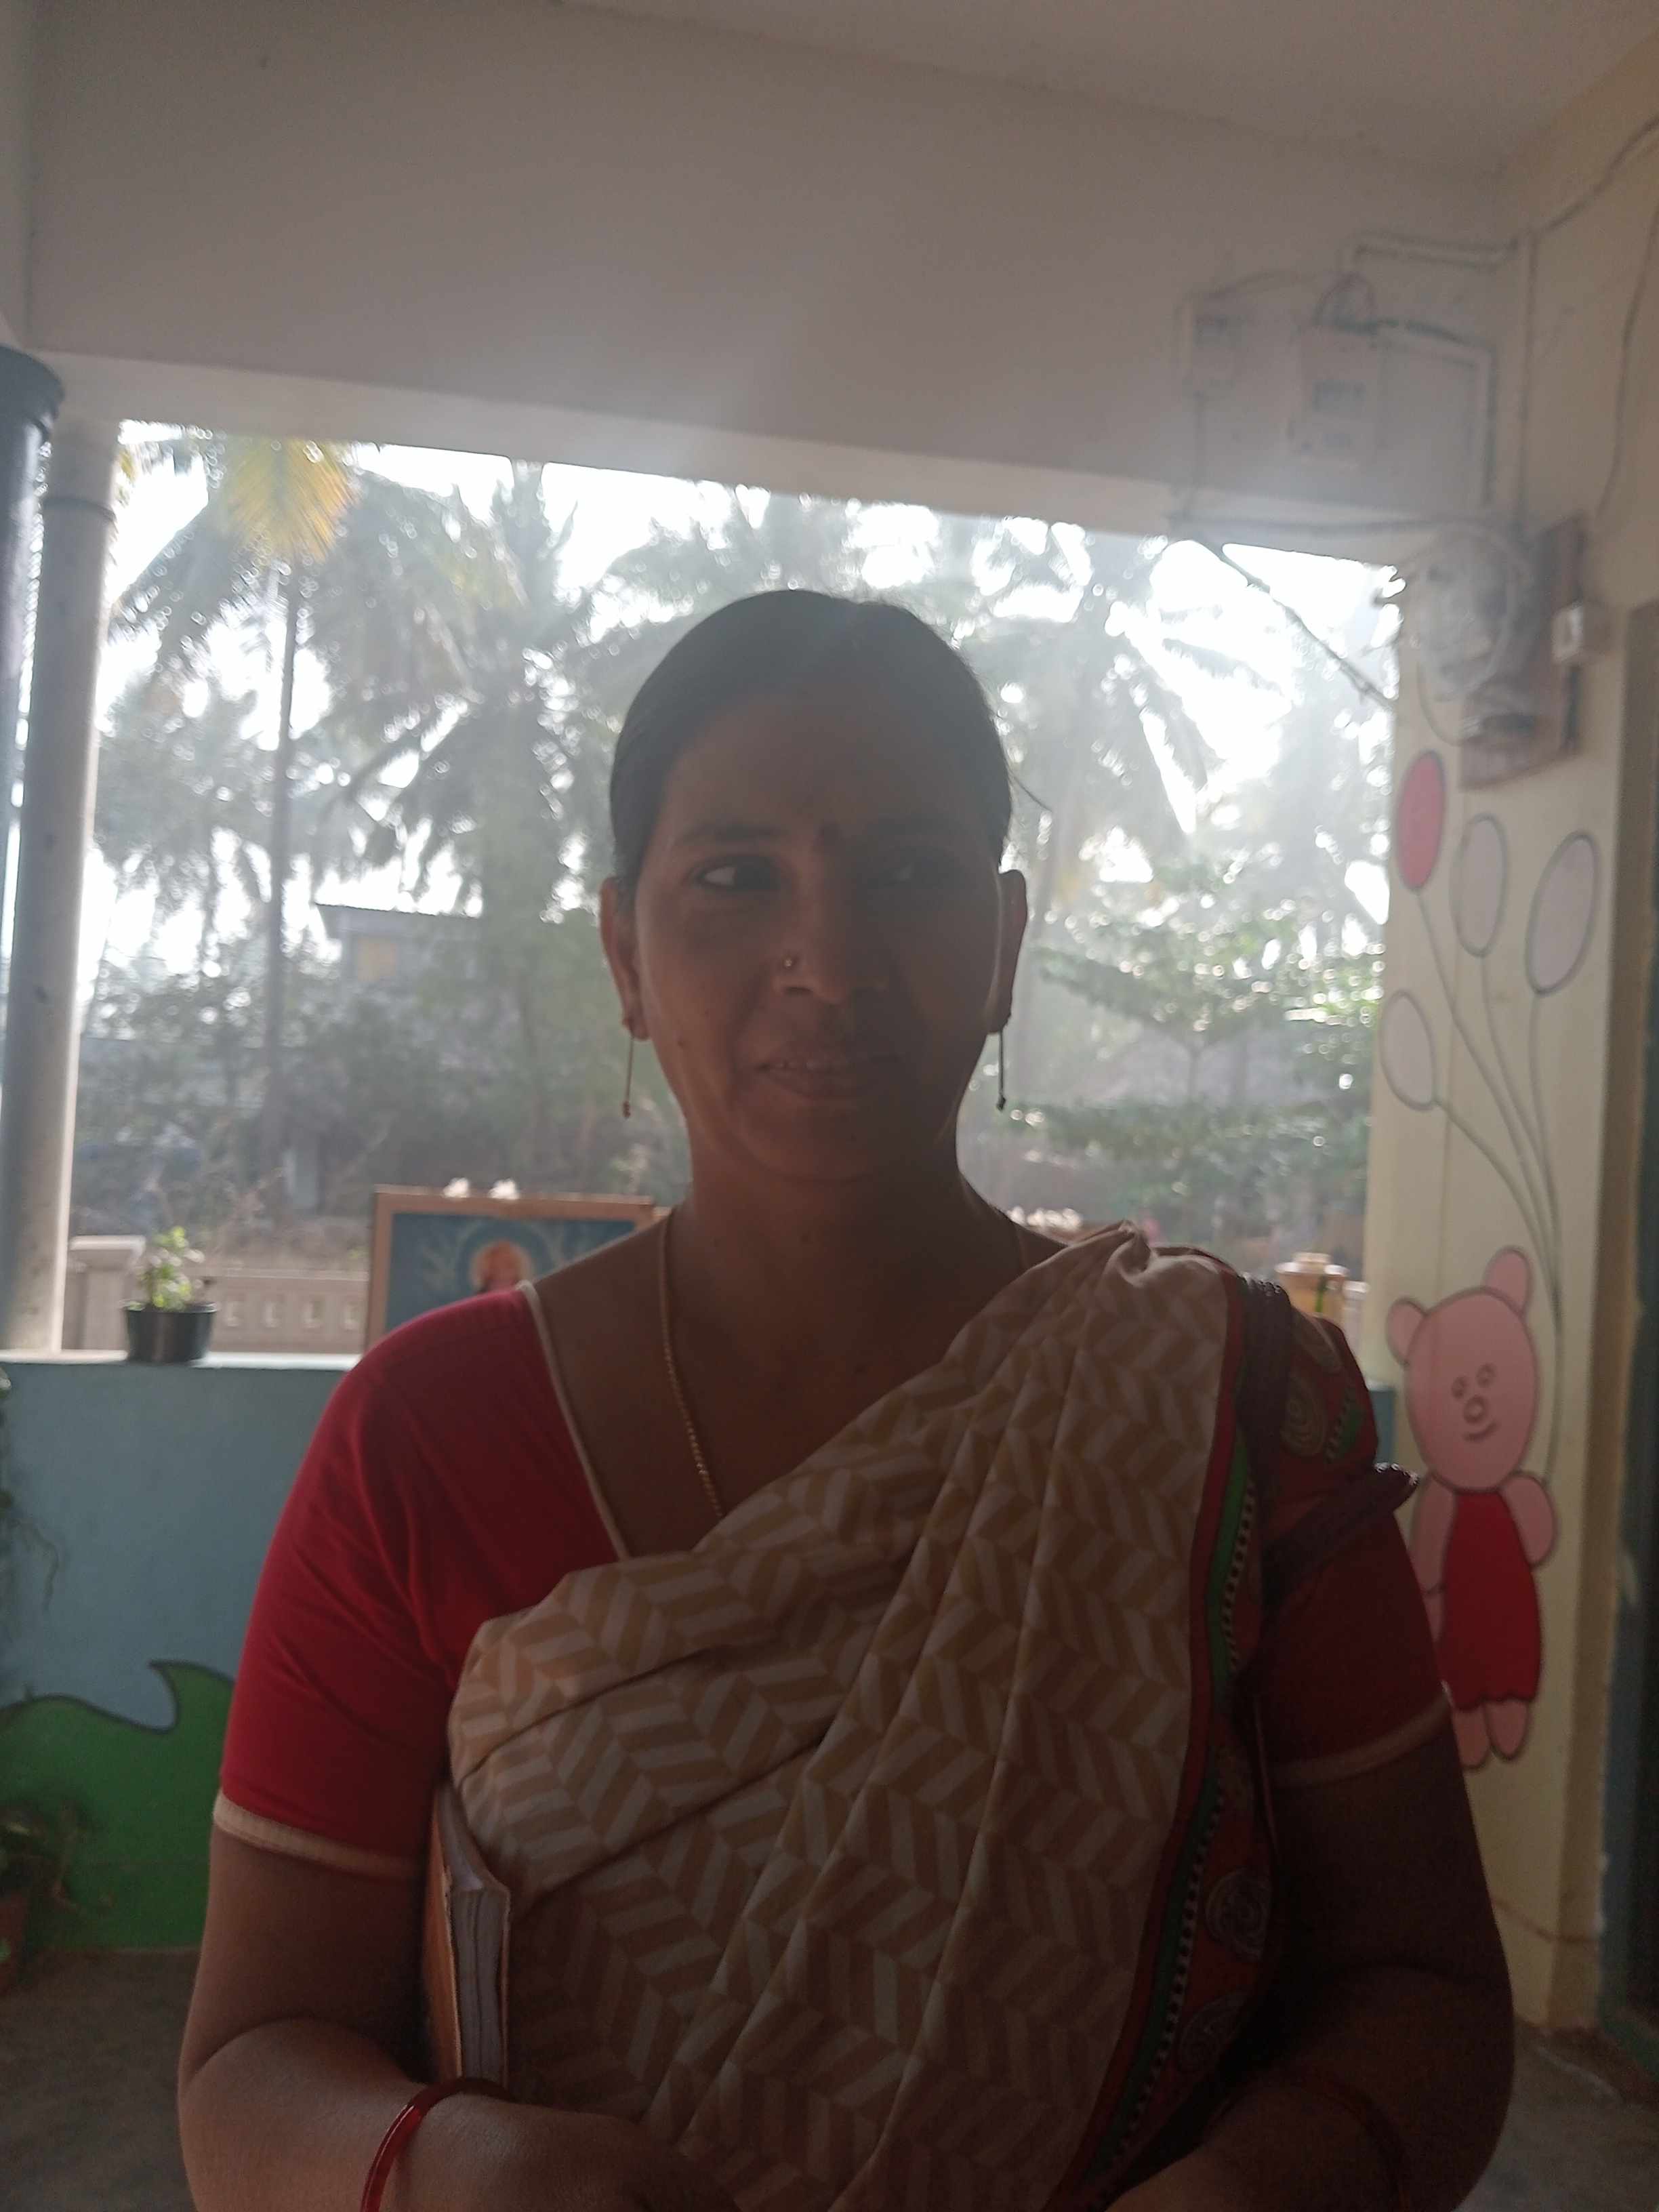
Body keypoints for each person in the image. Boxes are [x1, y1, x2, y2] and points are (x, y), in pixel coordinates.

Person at [179, 592, 1513, 2212]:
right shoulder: (429, 1436)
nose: (829, 962)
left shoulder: (1226, 1410)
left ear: (1003, 945)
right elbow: (251, 2068)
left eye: (909, 873)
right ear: (625, 953)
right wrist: (456, 2171)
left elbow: (1428, 1999)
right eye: (737, 878)